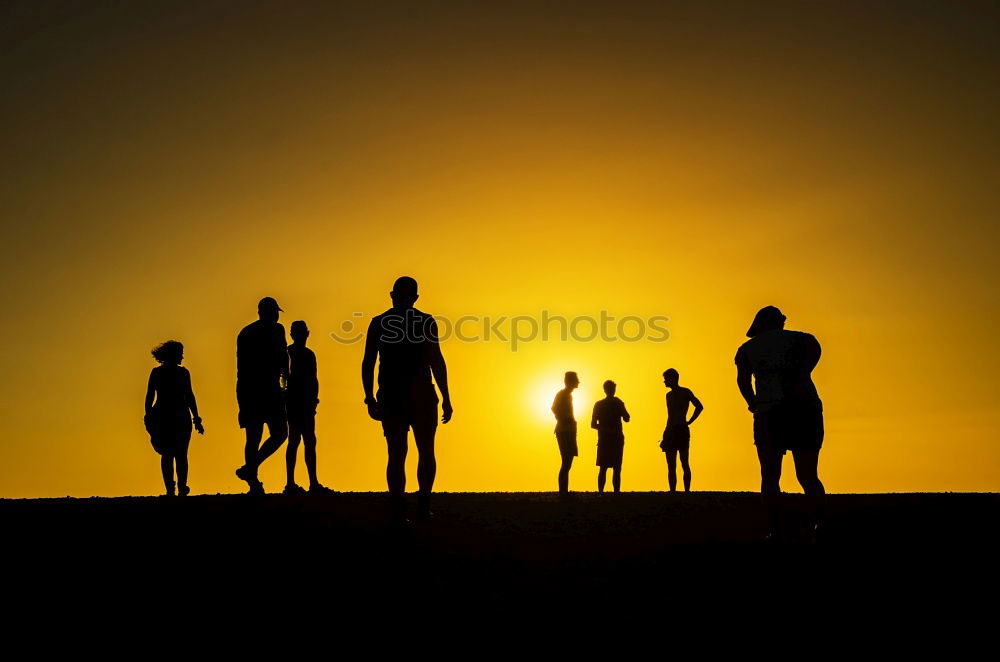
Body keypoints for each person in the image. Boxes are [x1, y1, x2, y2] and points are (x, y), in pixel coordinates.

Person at [362, 276, 453, 521]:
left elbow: (436, 360)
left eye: (405, 296)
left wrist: (370, 397)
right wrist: (369, 397)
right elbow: (368, 362)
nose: (402, 300)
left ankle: (409, 506)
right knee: (410, 451)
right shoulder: (414, 322)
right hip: (407, 396)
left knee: (406, 451)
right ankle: (412, 506)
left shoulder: (385, 322)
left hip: (407, 396)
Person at [735, 305, 825, 538]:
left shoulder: (747, 349)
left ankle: (775, 529)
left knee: (770, 475)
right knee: (808, 475)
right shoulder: (806, 341)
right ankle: (820, 524)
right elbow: (811, 362)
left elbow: (743, 381)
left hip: (769, 412)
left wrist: (752, 402)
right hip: (805, 409)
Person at [235, 297, 289, 495]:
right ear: (265, 312)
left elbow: (284, 360)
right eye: (274, 312)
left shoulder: (276, 330)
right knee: (255, 436)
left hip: (267, 390)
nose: (276, 316)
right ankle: (253, 480)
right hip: (254, 390)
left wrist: (285, 386)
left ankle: (250, 470)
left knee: (278, 434)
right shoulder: (249, 333)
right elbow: (244, 367)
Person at [144, 341, 204, 496]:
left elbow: (150, 397)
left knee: (168, 454)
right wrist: (196, 417)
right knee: (180, 454)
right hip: (176, 416)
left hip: (167, 416)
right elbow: (189, 396)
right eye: (180, 353)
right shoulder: (181, 373)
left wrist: (148, 414)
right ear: (173, 354)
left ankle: (173, 489)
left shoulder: (159, 373)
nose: (182, 356)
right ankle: (179, 487)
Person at [284, 321, 332, 494]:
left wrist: (313, 399)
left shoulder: (307, 354)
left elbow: (314, 379)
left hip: (304, 402)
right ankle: (292, 483)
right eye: (298, 333)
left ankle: (310, 482)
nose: (300, 336)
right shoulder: (289, 353)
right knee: (297, 440)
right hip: (295, 402)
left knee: (308, 441)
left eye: (302, 333)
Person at [659, 369, 703, 492]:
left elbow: (699, 406)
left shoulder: (685, 392)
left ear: (673, 378)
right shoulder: (668, 395)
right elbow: (670, 416)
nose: (664, 381)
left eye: (666, 379)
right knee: (671, 465)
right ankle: (673, 491)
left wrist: (689, 421)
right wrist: (665, 434)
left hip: (681, 430)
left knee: (684, 462)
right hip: (671, 430)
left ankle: (686, 491)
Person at [591, 380, 630, 493]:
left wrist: (604, 429)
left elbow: (593, 425)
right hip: (613, 439)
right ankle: (613, 493)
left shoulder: (599, 404)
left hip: (607, 439)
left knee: (605, 468)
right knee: (614, 468)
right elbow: (627, 418)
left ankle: (602, 493)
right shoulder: (617, 403)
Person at [552, 371, 579, 494]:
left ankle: (564, 491)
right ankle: (563, 492)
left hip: (569, 431)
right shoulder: (562, 394)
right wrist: (564, 419)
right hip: (564, 431)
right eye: (576, 379)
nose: (578, 382)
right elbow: (554, 408)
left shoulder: (568, 395)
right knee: (566, 462)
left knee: (568, 462)